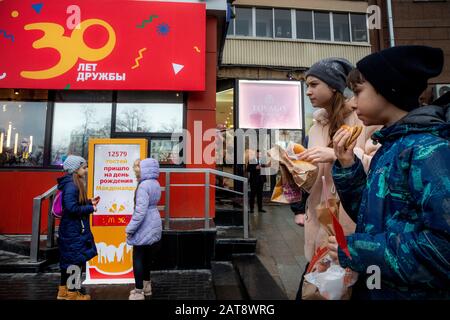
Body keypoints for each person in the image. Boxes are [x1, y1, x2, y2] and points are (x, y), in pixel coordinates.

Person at [330, 45, 450, 299]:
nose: (351, 103)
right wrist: (347, 166)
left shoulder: (430, 152)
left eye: (358, 91)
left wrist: (357, 250)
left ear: (388, 89)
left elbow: (443, 251)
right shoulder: (391, 146)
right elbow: (370, 214)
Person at [295, 58, 381, 300]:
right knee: (316, 287)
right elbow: (314, 180)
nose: (308, 92)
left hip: (352, 222)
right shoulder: (315, 127)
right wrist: (295, 171)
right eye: (306, 86)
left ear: (333, 87)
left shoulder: (363, 118)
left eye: (313, 84)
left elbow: (377, 166)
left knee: (347, 289)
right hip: (320, 219)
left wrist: (335, 154)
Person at [56, 155, 99, 300]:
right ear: (75, 169)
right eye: (84, 167)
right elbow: (71, 208)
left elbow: (73, 202)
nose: (86, 170)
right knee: (76, 260)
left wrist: (87, 201)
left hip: (70, 229)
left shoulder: (71, 184)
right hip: (74, 230)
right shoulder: (72, 186)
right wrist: (90, 208)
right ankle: (73, 294)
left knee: (68, 259)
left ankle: (63, 291)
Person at [126, 158, 162, 300]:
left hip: (144, 224)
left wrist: (130, 228)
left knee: (138, 257)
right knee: (147, 257)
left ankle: (139, 291)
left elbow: (140, 212)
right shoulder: (155, 183)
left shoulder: (142, 186)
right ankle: (147, 286)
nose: (136, 172)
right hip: (154, 220)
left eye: (137, 169)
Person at [247, 149, 267, 213]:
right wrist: (255, 168)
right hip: (253, 180)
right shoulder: (251, 161)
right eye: (258, 154)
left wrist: (264, 179)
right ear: (256, 154)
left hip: (261, 180)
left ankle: (260, 208)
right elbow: (248, 169)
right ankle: (251, 209)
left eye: (260, 154)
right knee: (252, 195)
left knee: (260, 195)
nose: (259, 155)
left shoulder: (263, 161)